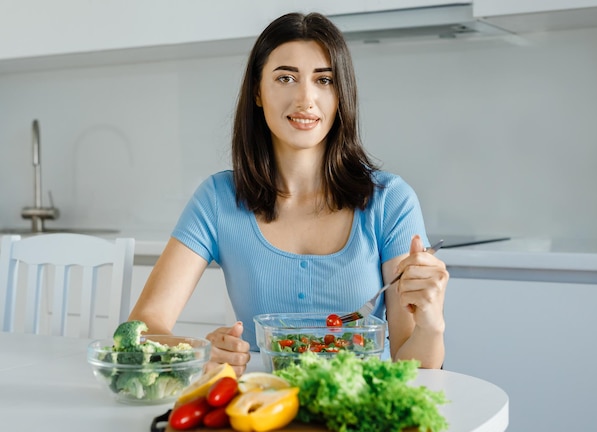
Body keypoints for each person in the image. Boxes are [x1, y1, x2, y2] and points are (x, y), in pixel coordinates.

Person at [129, 11, 448, 375]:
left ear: (341, 95)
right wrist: (199, 351)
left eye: (324, 80)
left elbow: (414, 369)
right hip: (262, 409)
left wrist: (431, 323)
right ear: (257, 92)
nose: (305, 99)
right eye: (285, 78)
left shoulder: (390, 200)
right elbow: (142, 327)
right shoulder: (218, 198)